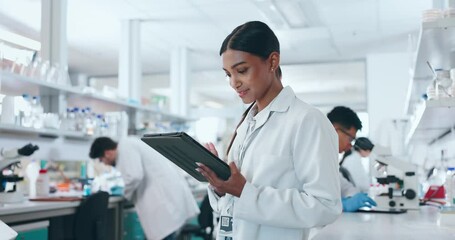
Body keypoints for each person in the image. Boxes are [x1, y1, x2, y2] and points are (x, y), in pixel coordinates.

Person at [196, 21, 341, 240]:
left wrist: (245, 193)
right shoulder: (246, 123)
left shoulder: (307, 121)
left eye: (242, 71)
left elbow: (325, 206)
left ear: (272, 61)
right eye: (228, 74)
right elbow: (232, 204)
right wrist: (220, 185)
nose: (234, 83)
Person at [89, 137, 200, 240]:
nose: (104, 163)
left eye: (101, 159)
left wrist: (122, 192)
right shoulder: (128, 144)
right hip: (167, 200)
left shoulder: (126, 146)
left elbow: (134, 176)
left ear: (107, 153)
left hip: (164, 204)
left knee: (166, 235)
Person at [326, 106, 377, 212]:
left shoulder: (328, 161)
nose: (350, 145)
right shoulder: (310, 156)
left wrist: (353, 197)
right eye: (350, 139)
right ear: (334, 130)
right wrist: (342, 205)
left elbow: (346, 188)